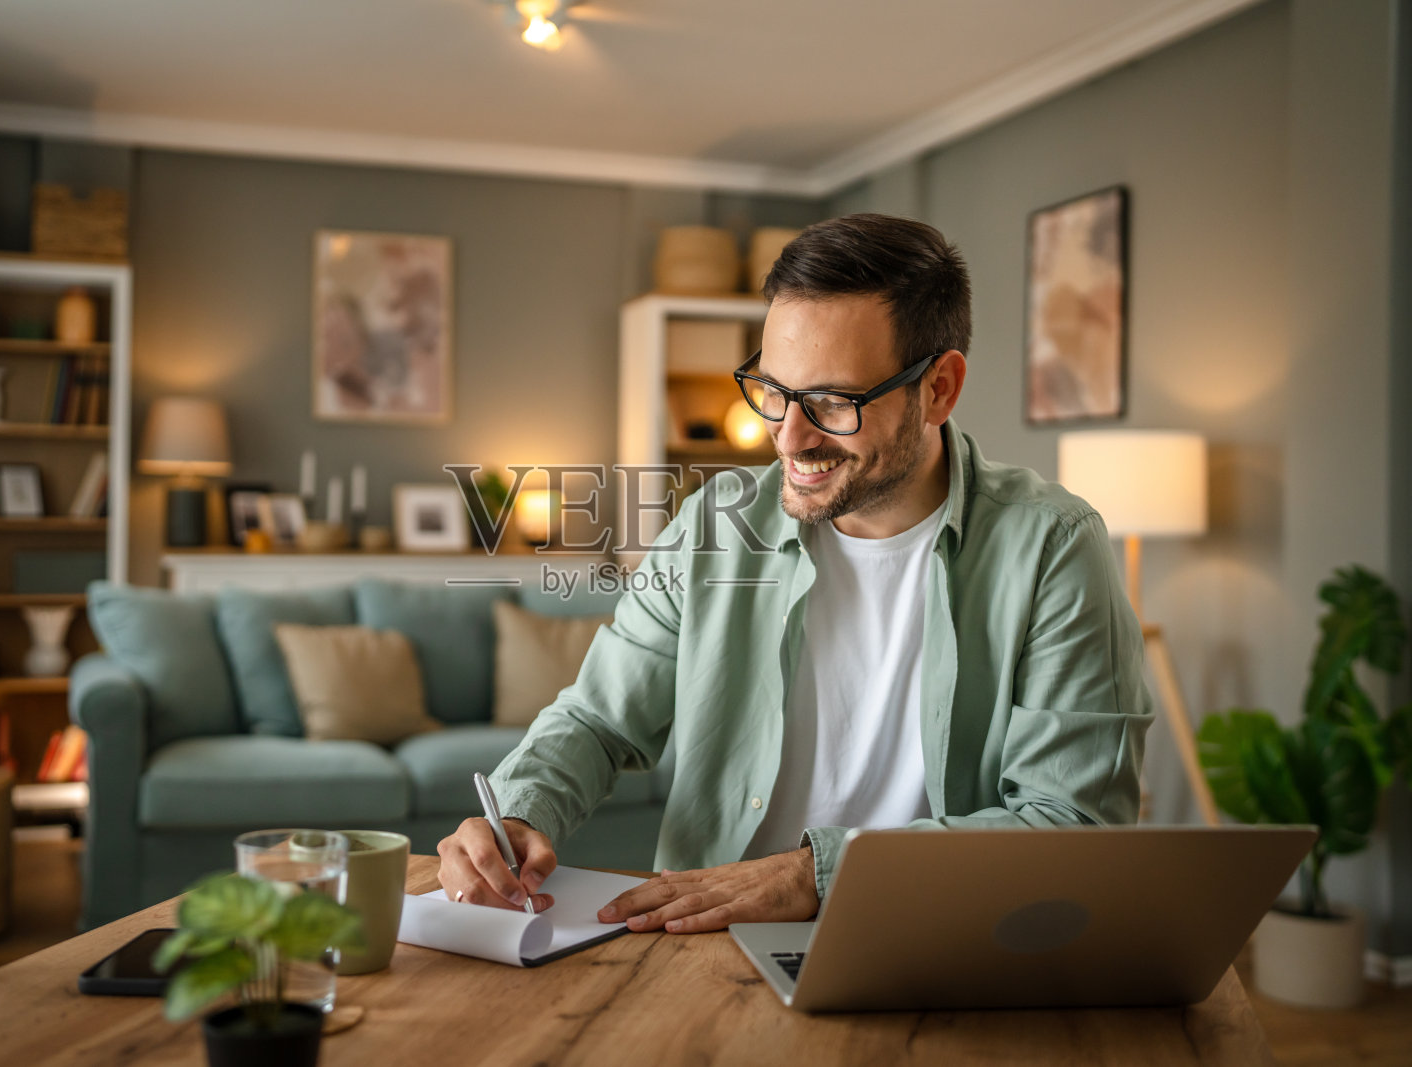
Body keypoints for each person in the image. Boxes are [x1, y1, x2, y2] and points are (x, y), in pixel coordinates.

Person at [437, 213, 1152, 934]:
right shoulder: (715, 523)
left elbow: (1070, 824)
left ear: (939, 388)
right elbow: (598, 719)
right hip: (698, 946)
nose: (788, 435)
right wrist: (518, 810)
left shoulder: (1055, 547)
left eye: (833, 402)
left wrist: (818, 873)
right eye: (774, 390)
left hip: (937, 946)